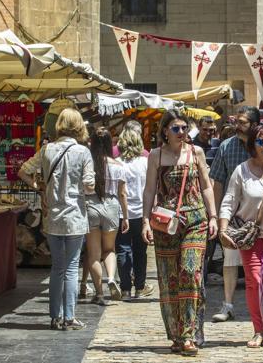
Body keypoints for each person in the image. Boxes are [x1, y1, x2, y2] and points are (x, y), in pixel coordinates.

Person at [141, 109, 218, 356]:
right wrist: (144, 220)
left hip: (195, 219)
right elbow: (149, 190)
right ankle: (175, 334)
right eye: (176, 128)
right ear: (165, 131)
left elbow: (206, 186)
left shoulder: (196, 153)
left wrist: (213, 216)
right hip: (166, 224)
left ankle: (189, 334)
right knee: (169, 280)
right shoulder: (156, 155)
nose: (182, 132)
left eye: (185, 128)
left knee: (190, 272)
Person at [18, 108, 95, 330]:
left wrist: (40, 188)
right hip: (75, 217)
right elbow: (89, 186)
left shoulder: (47, 150)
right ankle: (69, 317)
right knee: (71, 268)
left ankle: (55, 316)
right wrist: (79, 187)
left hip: (52, 217)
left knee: (57, 268)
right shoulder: (83, 152)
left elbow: (23, 171)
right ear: (79, 126)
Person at [218, 125, 263, 348]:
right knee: (255, 282)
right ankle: (259, 330)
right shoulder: (242, 171)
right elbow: (229, 200)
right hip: (251, 235)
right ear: (251, 146)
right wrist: (223, 228)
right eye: (261, 141)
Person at [209, 106, 260, 323]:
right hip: (233, 215)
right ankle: (228, 304)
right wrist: (218, 214)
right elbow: (218, 181)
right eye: (237, 121)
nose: (237, 126)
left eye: (243, 122)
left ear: (254, 124)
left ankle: (261, 306)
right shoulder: (226, 146)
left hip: (259, 215)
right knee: (230, 262)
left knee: (258, 265)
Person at [86, 127, 129, 305]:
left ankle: (100, 294)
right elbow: (122, 194)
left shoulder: (88, 164)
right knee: (109, 249)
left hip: (91, 206)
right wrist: (125, 216)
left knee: (94, 254)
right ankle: (111, 278)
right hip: (111, 206)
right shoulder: (118, 165)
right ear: (110, 143)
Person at [115, 128, 153, 301]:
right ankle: (139, 286)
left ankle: (125, 290)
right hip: (142, 212)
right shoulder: (145, 163)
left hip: (122, 214)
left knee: (123, 249)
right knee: (140, 251)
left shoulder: (117, 163)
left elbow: (119, 192)